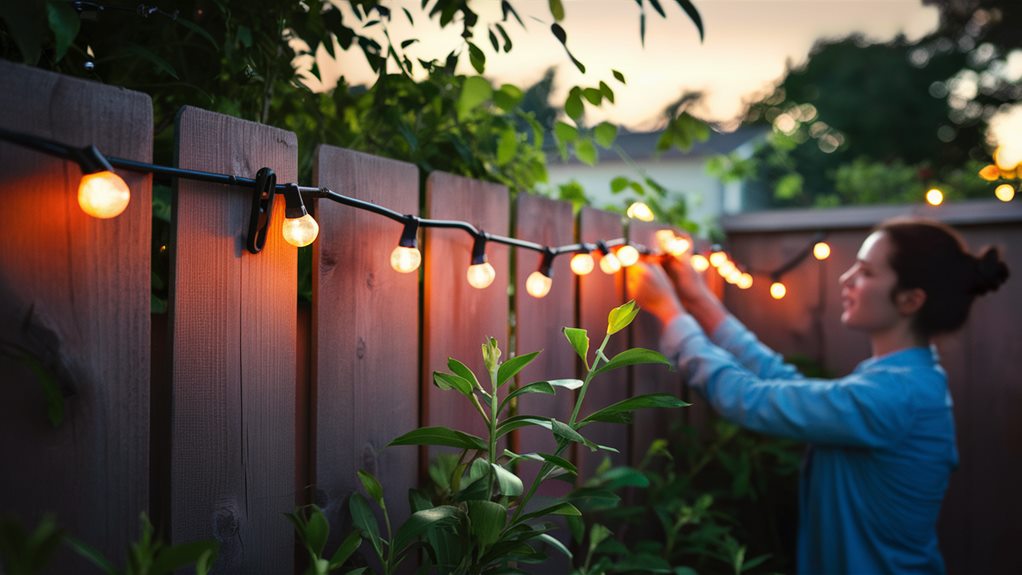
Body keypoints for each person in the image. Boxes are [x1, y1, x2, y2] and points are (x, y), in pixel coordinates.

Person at [627, 217, 1009, 575]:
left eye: (866, 272)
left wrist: (670, 313)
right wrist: (700, 302)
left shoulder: (896, 394)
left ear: (910, 300)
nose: (847, 277)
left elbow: (751, 399)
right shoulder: (901, 380)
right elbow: (782, 383)